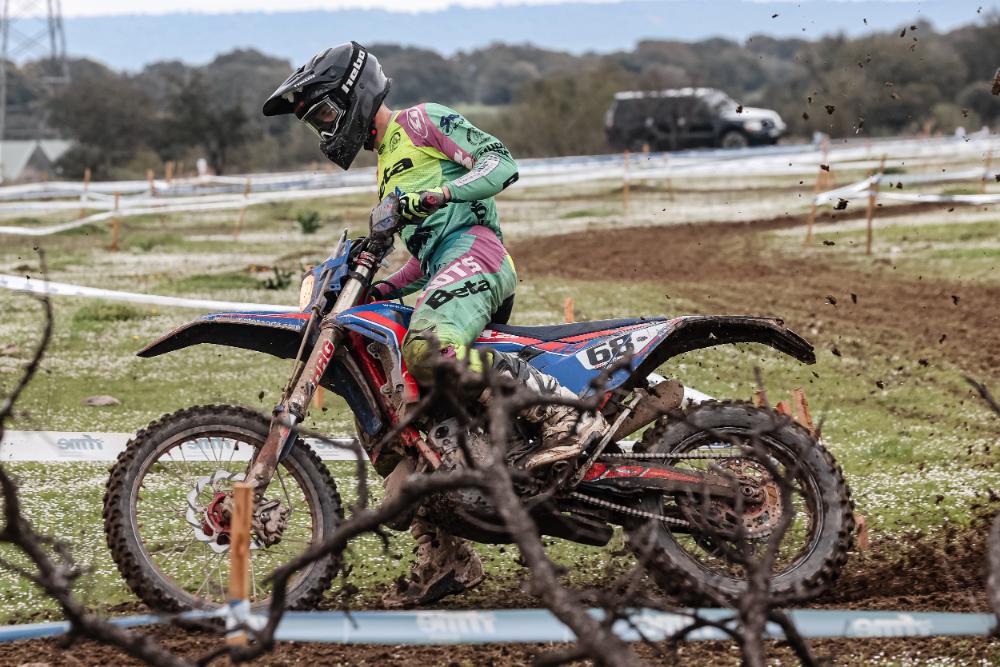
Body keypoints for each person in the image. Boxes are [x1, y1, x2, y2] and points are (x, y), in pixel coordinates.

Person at [263, 41, 608, 606]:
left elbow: (501, 162)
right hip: (448, 264)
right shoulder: (385, 167)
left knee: (425, 349)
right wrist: (381, 288)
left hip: (479, 252)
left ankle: (569, 417)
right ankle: (445, 556)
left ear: (353, 95)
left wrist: (437, 193)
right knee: (400, 419)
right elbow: (425, 259)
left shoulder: (423, 121)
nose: (323, 128)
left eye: (323, 113)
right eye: (314, 122)